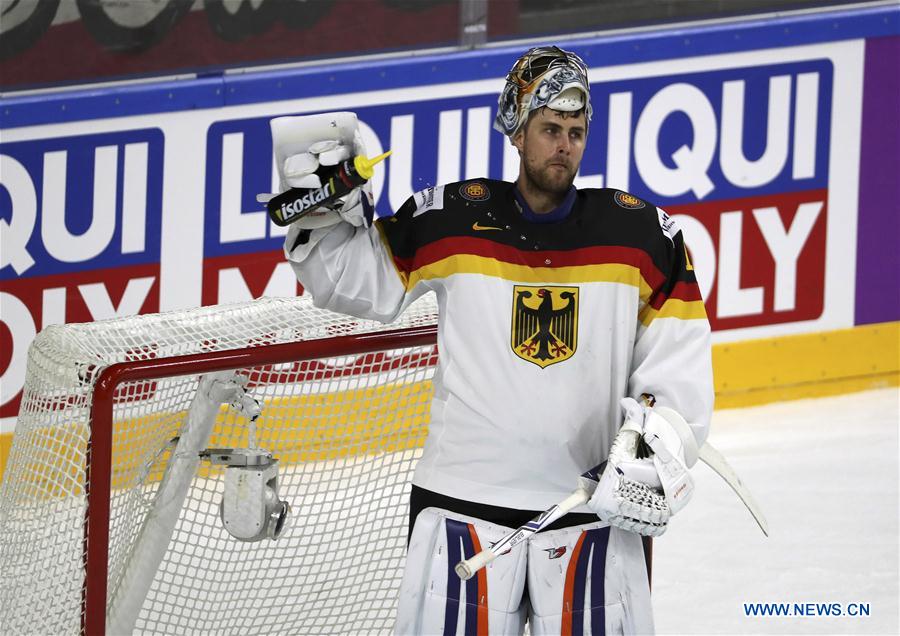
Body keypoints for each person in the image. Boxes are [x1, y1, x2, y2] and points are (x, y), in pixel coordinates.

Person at [272, 45, 713, 635]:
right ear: (516, 130)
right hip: (462, 501)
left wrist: (659, 441)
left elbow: (679, 362)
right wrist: (321, 215)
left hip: (585, 506)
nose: (565, 144)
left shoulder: (642, 235)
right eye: (550, 128)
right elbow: (353, 282)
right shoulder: (450, 217)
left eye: (576, 131)